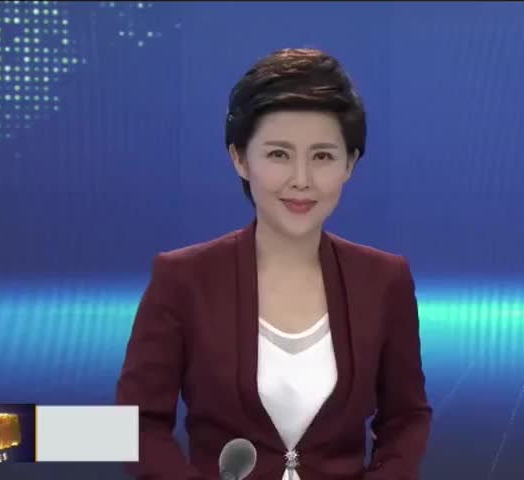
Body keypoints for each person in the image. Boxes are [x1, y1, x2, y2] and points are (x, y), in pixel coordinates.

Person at [117, 48, 431, 480]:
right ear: (240, 158)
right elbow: (134, 426)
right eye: (279, 154)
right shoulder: (182, 279)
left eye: (322, 156)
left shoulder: (385, 280)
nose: (301, 179)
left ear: (350, 164)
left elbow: (407, 417)